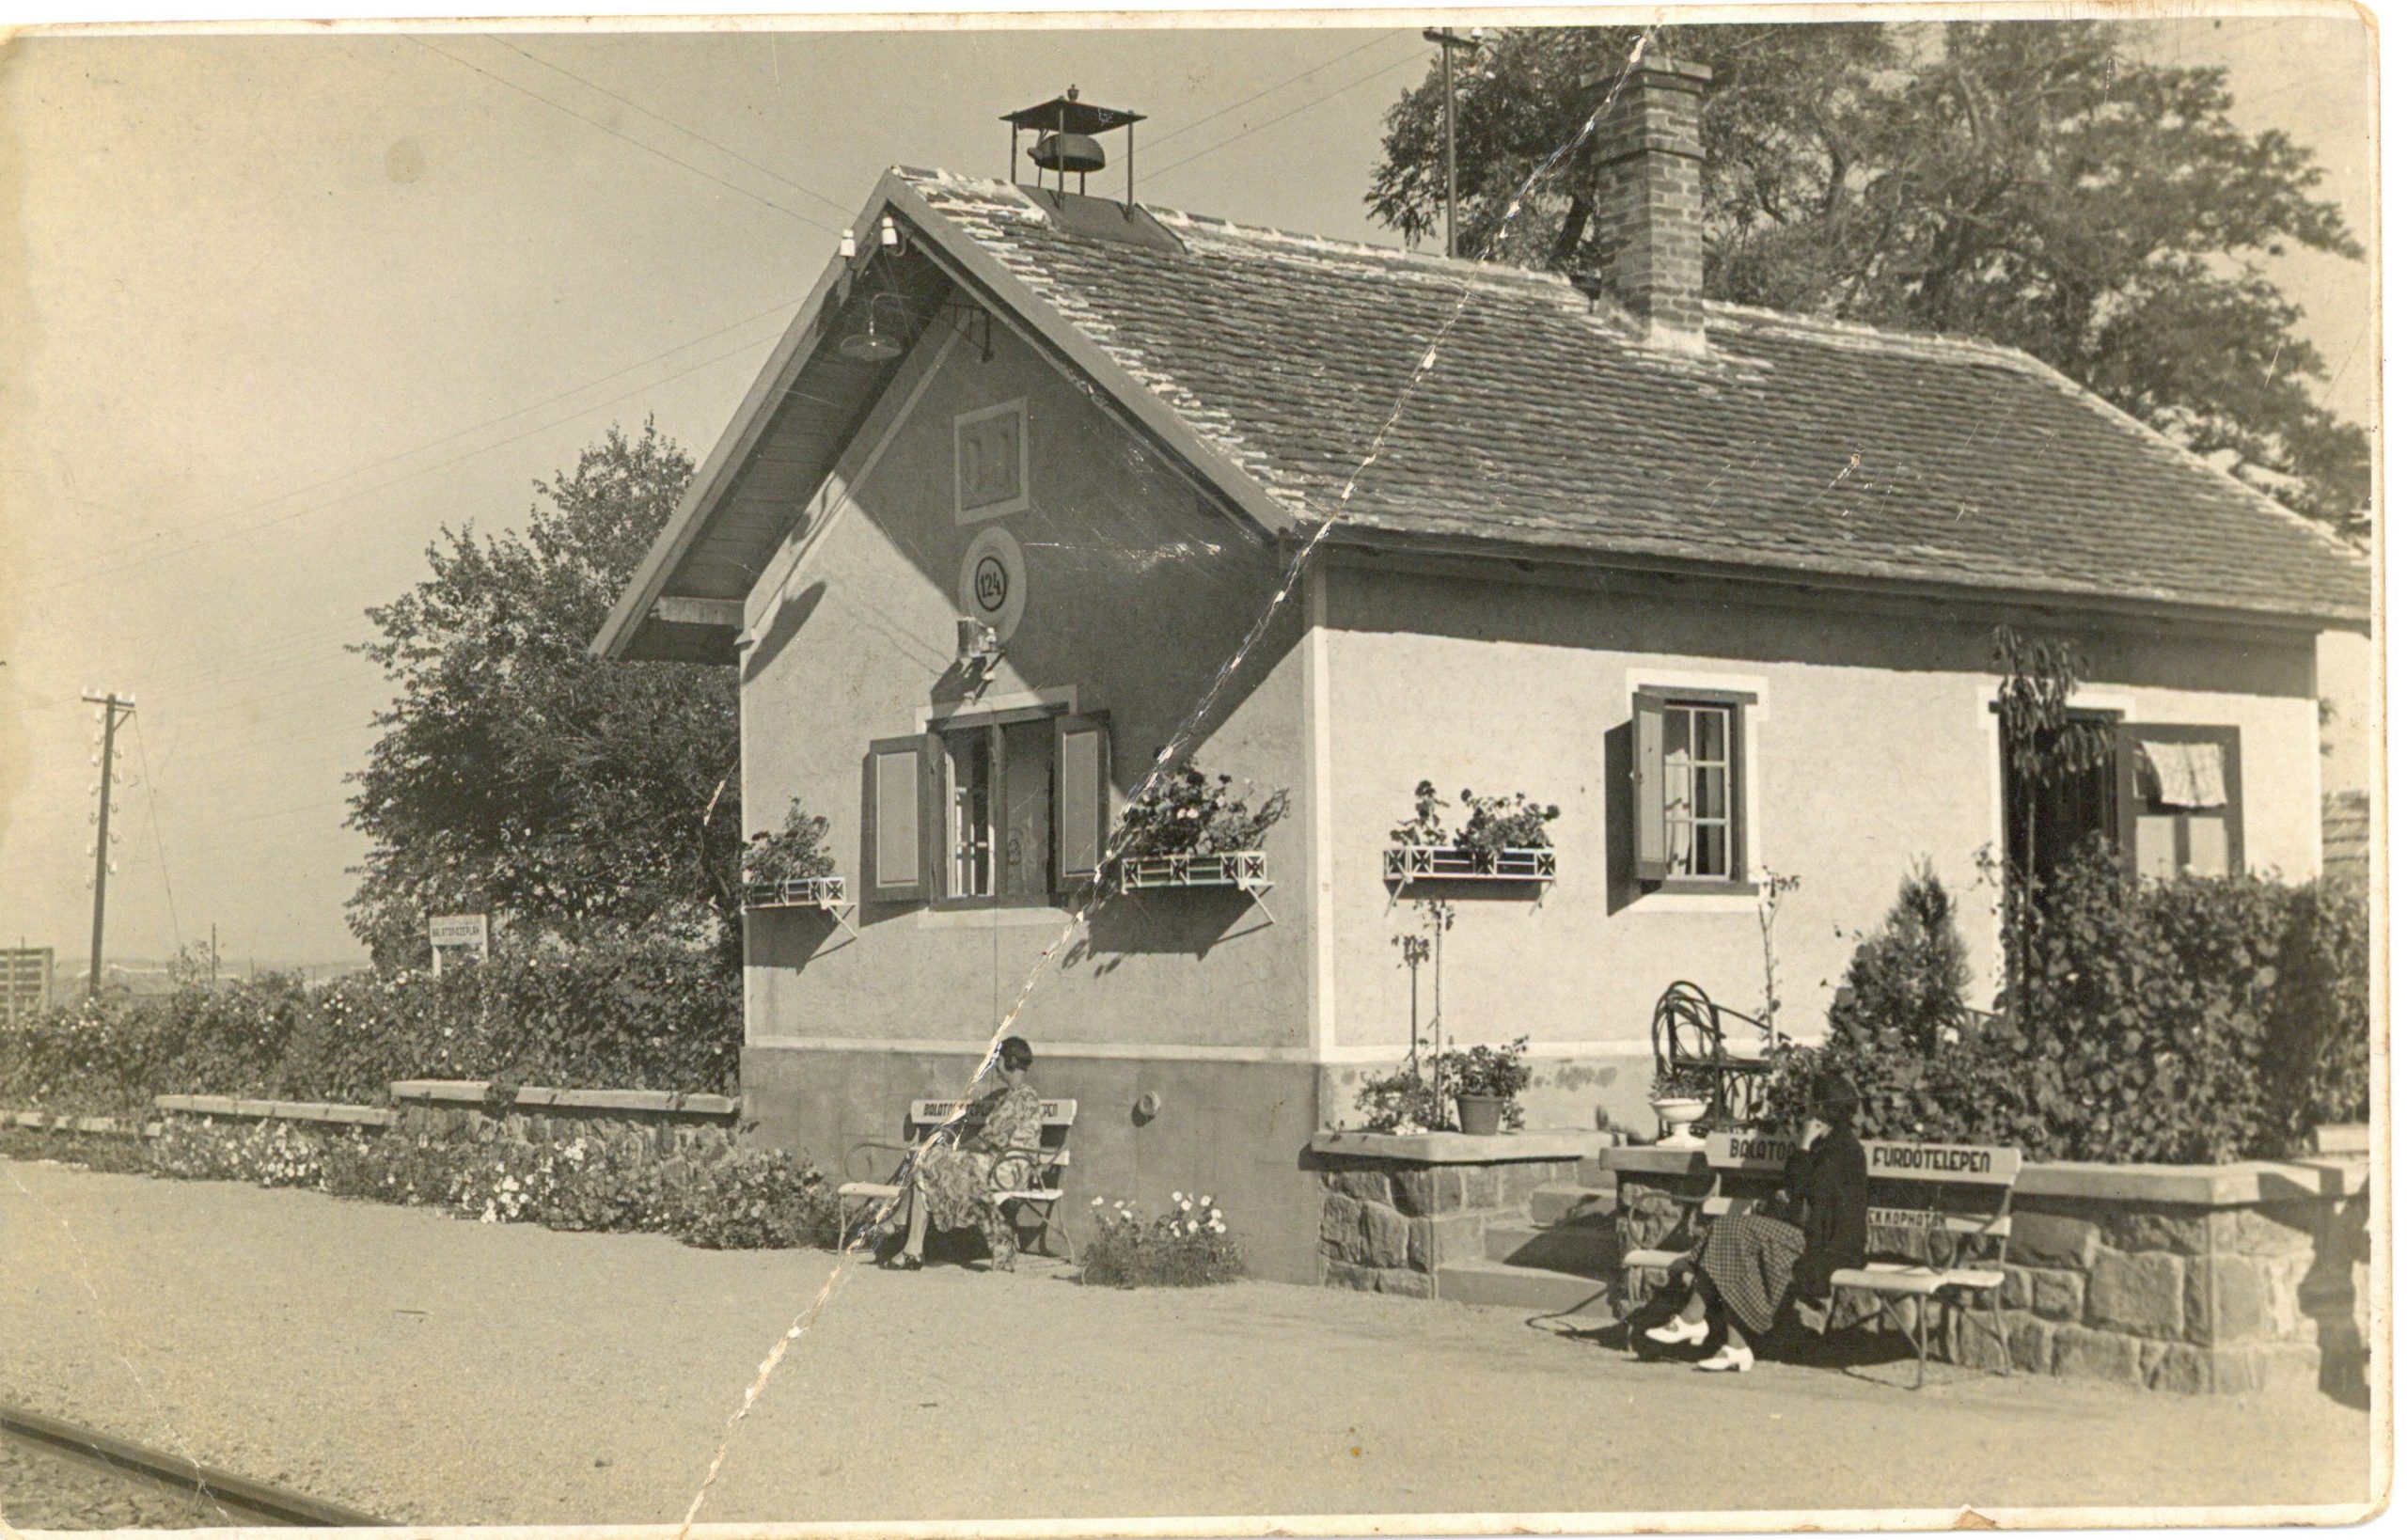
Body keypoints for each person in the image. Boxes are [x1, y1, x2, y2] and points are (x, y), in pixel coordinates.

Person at [1644, 1072, 1868, 1373]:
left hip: (1826, 1245)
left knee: (1729, 1231)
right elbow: (1796, 1188)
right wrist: (1802, 1154)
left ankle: (1697, 1321)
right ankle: (1730, 1345)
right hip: (1803, 1234)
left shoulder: (1843, 1148)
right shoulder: (1822, 1142)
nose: (1805, 1107)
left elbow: (1805, 1190)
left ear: (1819, 1107)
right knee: (1729, 1236)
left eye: (1810, 1101)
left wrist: (1802, 1148)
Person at [886, 1036, 1046, 1271]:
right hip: (1003, 1166)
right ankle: (911, 1247)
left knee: (928, 1161)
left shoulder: (1019, 1099)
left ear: (1008, 1062)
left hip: (1006, 1171)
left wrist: (953, 1150)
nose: (995, 1066)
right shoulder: (1020, 1096)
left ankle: (904, 1231)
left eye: (997, 1060)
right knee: (928, 1162)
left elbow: (985, 1141)